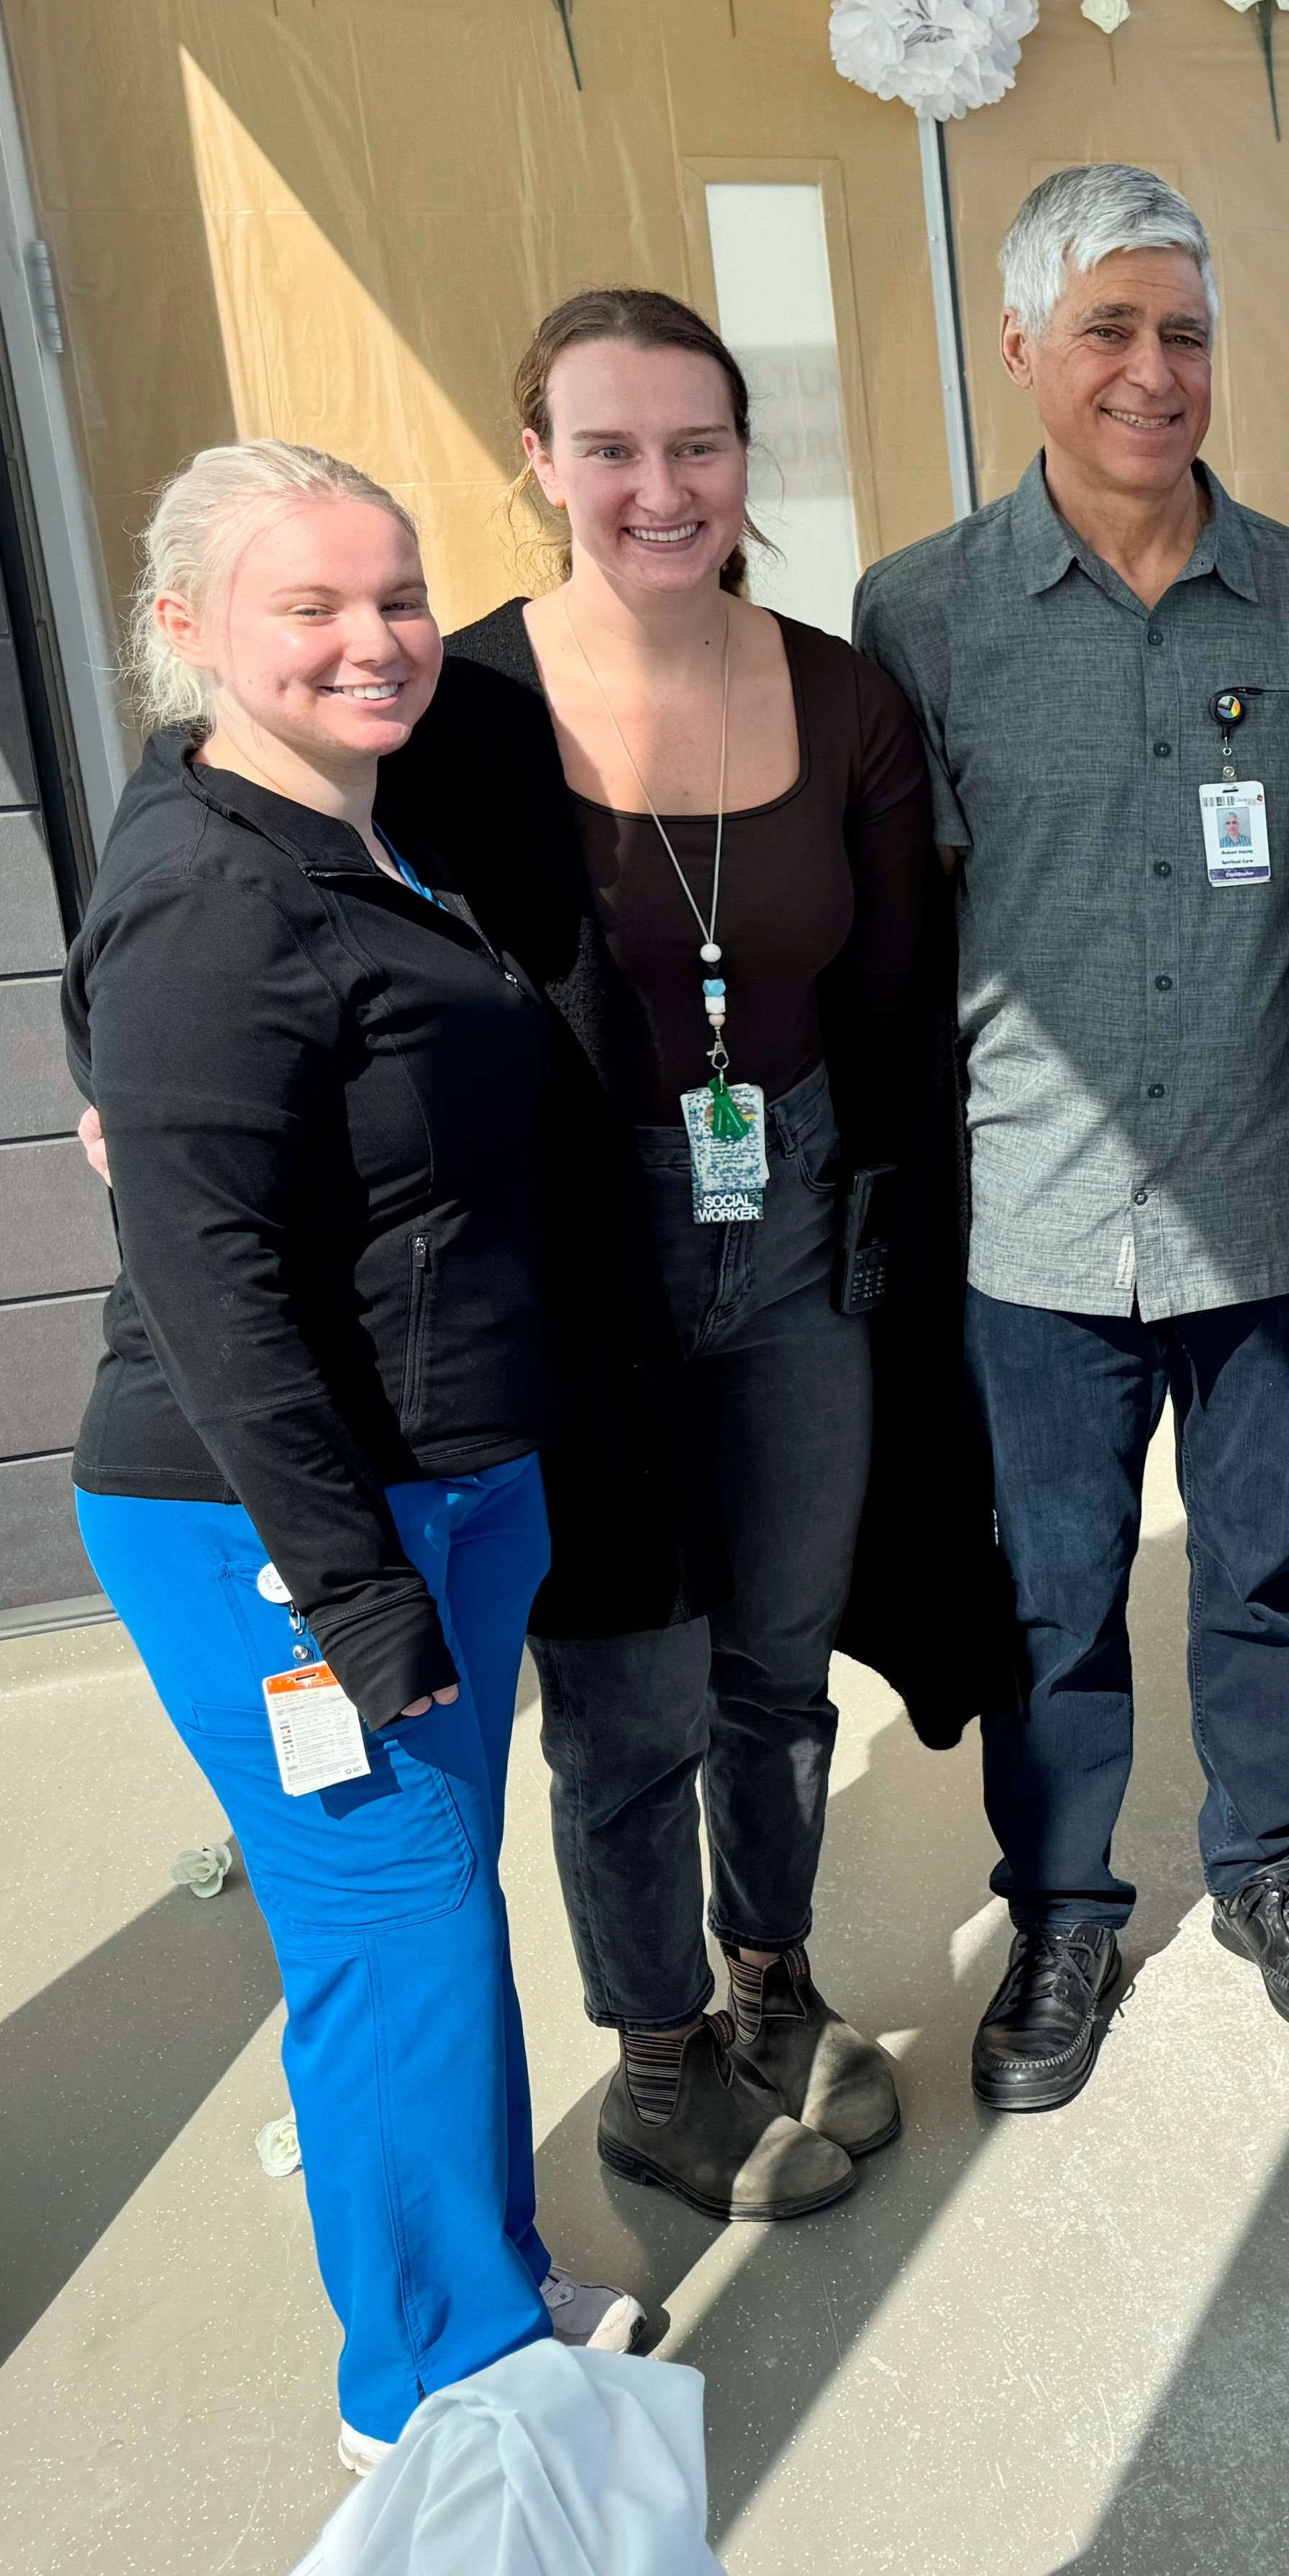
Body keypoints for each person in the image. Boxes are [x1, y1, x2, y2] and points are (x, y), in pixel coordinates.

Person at [375, 287, 1008, 2220]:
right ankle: (654, 2061)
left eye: (700, 445)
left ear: (746, 460)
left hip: (802, 1226)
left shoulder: (842, 697)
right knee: (628, 1696)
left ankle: (766, 1982)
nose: (662, 488)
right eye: (613, 448)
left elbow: (892, 999)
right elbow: (261, 859)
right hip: (583, 1263)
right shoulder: (456, 708)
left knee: (779, 1661)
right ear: (540, 464)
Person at [65, 443, 652, 2472]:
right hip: (284, 1526)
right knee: (394, 1932)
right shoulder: (208, 887)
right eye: (306, 606)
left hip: (449, 1478)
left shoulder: (343, 819)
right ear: (188, 628)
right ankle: (432, 2389)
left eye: (395, 595)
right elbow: (214, 1294)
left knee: (423, 1920)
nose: (373, 640)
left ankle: (479, 2278)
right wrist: (355, 1591)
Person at [856, 165, 1289, 2110]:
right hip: (1039, 1216)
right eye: (1108, 329)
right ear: (1020, 348)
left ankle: (1268, 1868)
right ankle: (1066, 1909)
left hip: (1270, 1191)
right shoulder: (921, 613)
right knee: (1053, 1592)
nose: (1153, 371)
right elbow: (897, 928)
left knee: (1260, 1563)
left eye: (1184, 332)